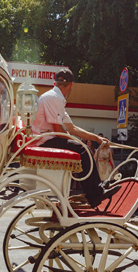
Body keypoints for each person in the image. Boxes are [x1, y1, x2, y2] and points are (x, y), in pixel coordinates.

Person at [30, 68, 113, 208]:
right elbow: (58, 130)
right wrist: (79, 142)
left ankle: (95, 189)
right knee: (83, 150)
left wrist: (98, 140)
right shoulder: (54, 98)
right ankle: (94, 194)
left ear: (54, 83)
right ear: (71, 85)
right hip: (43, 141)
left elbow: (72, 128)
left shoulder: (55, 98)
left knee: (83, 148)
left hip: (44, 139)